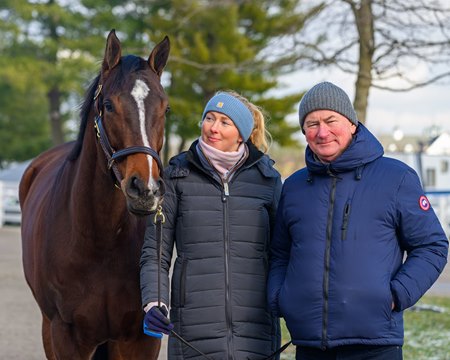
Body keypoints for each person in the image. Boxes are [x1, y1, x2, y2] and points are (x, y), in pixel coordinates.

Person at [267, 81, 449, 360]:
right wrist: (281, 298)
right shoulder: (294, 187)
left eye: (330, 120)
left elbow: (432, 246)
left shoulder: (396, 178)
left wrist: (396, 294)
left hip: (374, 344)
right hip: (310, 345)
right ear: (304, 131)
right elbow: (280, 253)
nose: (322, 132)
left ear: (352, 124)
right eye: (312, 124)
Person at [140, 90, 283, 359]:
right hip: (193, 332)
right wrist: (155, 302)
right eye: (209, 118)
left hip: (256, 334)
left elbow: (281, 253)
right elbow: (155, 253)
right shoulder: (176, 177)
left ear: (241, 134)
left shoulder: (268, 180)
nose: (213, 128)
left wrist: (283, 300)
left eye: (224, 122)